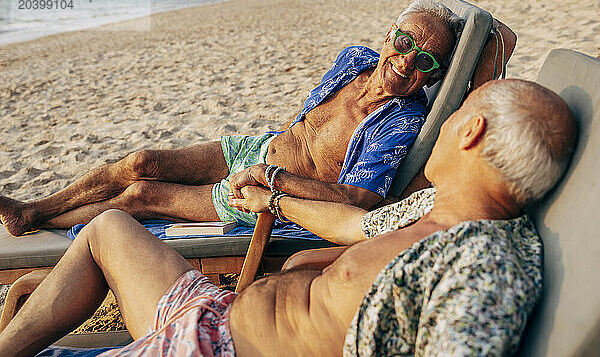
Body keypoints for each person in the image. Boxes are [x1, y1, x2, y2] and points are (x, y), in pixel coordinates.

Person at [0, 79, 577, 356]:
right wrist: (276, 200)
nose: (444, 127)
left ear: (471, 132)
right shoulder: (433, 208)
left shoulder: (483, 265)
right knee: (108, 229)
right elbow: (356, 228)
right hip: (217, 316)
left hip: (214, 352)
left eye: (457, 118)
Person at [0, 0, 463, 237]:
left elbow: (360, 200)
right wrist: (272, 153)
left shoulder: (402, 120)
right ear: (389, 35)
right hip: (258, 148)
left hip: (265, 187)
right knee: (141, 162)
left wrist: (276, 179)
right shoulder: (354, 60)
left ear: (433, 75)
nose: (406, 62)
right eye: (404, 44)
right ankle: (32, 211)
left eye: (426, 62)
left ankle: (39, 220)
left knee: (140, 196)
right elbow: (305, 123)